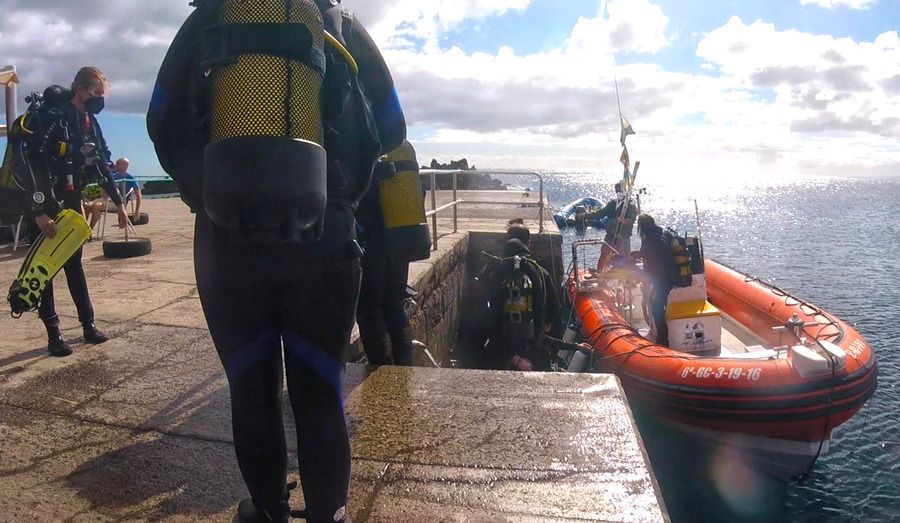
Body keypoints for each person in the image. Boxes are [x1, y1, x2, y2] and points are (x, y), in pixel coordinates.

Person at [148, 2, 405, 522]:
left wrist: (206, 189)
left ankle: (268, 512)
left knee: (251, 389)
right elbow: (392, 127)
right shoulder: (339, 26)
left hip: (226, 241)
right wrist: (340, 187)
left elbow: (159, 119)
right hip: (323, 236)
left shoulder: (208, 20)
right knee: (318, 393)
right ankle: (328, 514)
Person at [20, 68, 128, 356]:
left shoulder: (89, 122)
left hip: (69, 202)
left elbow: (103, 161)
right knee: (45, 269)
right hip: (45, 204)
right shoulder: (54, 118)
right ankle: (53, 334)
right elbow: (34, 164)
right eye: (96, 94)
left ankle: (87, 324)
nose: (99, 100)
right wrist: (39, 211)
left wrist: (119, 204)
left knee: (74, 263)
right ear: (80, 90)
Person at [478, 224, 559, 371]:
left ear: (507, 241)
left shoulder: (495, 272)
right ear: (528, 243)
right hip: (532, 352)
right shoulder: (541, 274)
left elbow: (485, 313)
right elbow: (553, 313)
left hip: (501, 351)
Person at [633, 214, 674, 346]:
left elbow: (654, 263)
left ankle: (663, 338)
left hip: (661, 279)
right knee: (658, 304)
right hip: (668, 277)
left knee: (656, 306)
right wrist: (637, 254)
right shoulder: (660, 234)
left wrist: (645, 277)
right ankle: (663, 335)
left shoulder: (649, 240)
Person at [588, 182, 638, 261]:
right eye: (616, 190)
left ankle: (622, 271)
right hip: (610, 234)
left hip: (622, 236)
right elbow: (601, 213)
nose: (618, 192)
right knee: (604, 254)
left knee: (622, 258)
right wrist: (586, 216)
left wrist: (623, 220)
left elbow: (631, 220)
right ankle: (599, 272)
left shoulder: (630, 205)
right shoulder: (612, 203)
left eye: (620, 190)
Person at [110, 157, 143, 222]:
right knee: (89, 206)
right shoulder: (112, 176)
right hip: (110, 200)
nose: (115, 165)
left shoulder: (130, 178)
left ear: (125, 166)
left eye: (118, 163)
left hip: (120, 201)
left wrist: (137, 211)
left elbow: (138, 195)